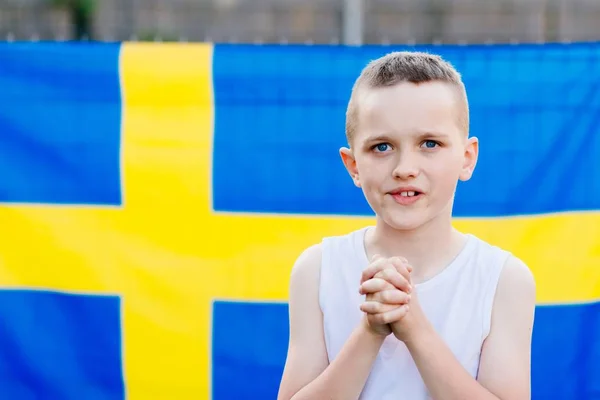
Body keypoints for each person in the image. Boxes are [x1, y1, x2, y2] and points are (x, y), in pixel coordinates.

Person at [277, 51, 536, 400]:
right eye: (382, 147)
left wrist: (414, 327)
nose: (405, 167)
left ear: (467, 157)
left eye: (430, 143)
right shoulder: (317, 269)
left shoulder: (504, 279)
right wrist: (370, 331)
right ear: (353, 165)